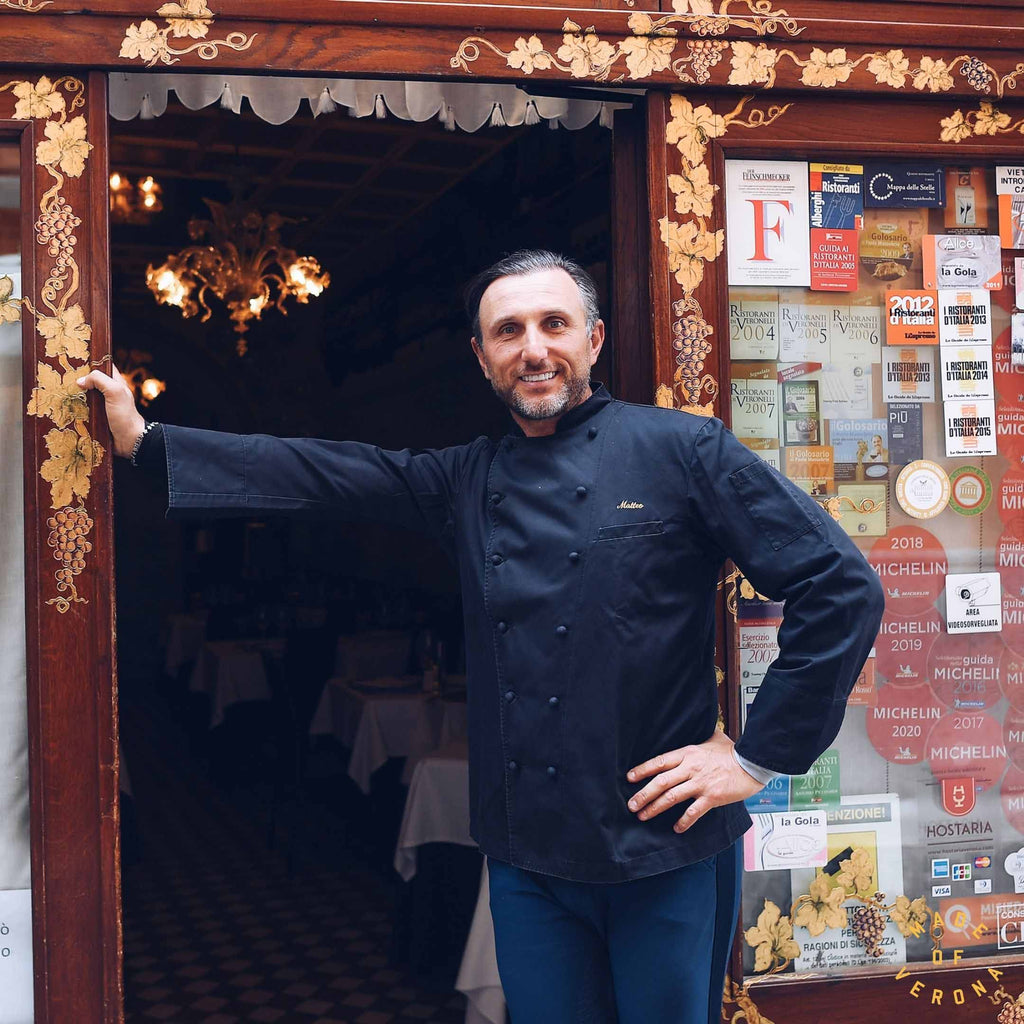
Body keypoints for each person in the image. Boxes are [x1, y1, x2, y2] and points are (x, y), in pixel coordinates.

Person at [80, 250, 884, 1024]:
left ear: (593, 339)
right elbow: (327, 473)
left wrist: (753, 756)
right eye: (508, 332)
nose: (534, 350)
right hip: (526, 854)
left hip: (662, 847)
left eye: (554, 325)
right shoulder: (468, 479)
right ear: (480, 356)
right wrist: (147, 445)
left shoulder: (683, 449)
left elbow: (839, 585)